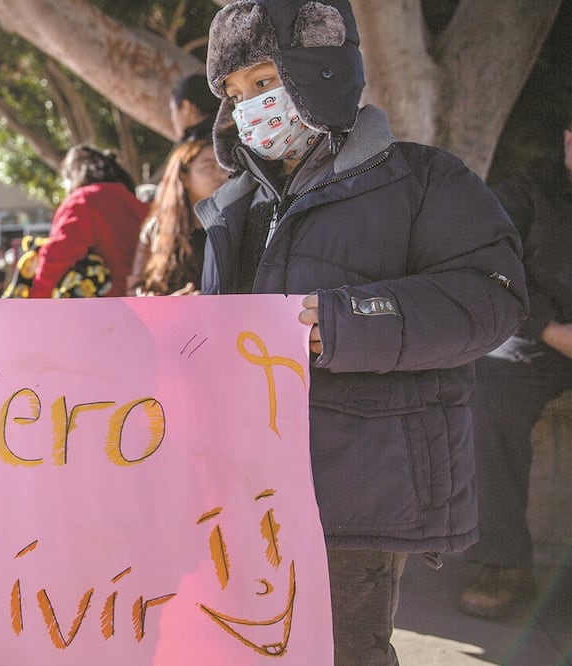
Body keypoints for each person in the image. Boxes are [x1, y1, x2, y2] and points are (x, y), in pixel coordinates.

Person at [200, 2, 527, 663]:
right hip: (248, 479)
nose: (248, 107)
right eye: (233, 94)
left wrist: (350, 320)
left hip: (363, 483)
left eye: (262, 83)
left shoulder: (422, 179)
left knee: (344, 647)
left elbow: (491, 298)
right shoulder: (238, 208)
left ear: (316, 71)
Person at [458, 114, 572, 619]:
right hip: (539, 342)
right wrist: (551, 329)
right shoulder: (525, 193)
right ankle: (504, 564)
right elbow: (487, 263)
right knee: (488, 387)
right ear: (569, 140)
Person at [29, 144, 147, 298]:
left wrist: (34, 301)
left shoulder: (83, 202)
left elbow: (56, 257)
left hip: (100, 311)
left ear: (73, 175)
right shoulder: (133, 202)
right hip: (143, 305)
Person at [128, 137, 229, 296]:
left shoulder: (235, 224)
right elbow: (135, 291)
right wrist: (170, 304)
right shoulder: (156, 229)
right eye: (209, 167)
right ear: (183, 176)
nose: (222, 175)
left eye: (224, 167)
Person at [170, 72, 220, 143]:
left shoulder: (199, 146)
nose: (172, 119)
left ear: (186, 107)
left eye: (172, 111)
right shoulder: (228, 129)